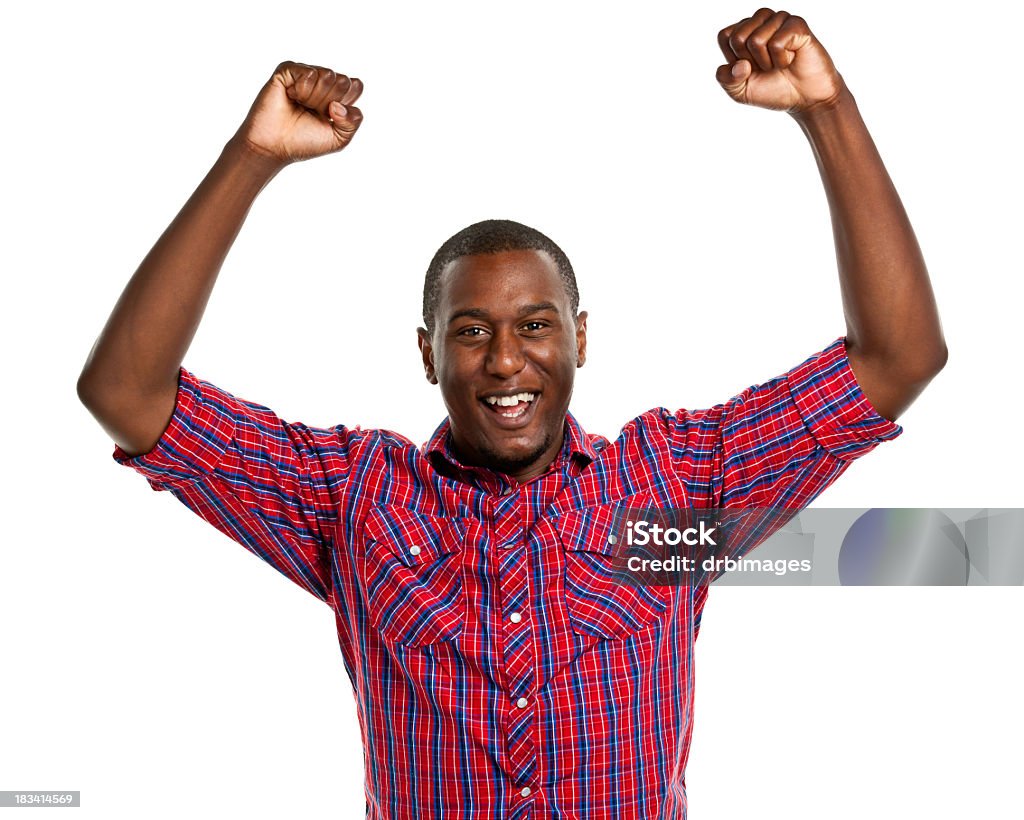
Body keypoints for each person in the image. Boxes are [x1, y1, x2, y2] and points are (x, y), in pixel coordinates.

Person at [77, 8, 946, 818]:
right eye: (470, 332)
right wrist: (252, 158)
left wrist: (827, 112)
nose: (504, 360)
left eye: (535, 327)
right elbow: (125, 394)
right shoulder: (356, 499)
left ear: (579, 339)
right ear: (426, 354)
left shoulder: (671, 484)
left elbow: (897, 359)